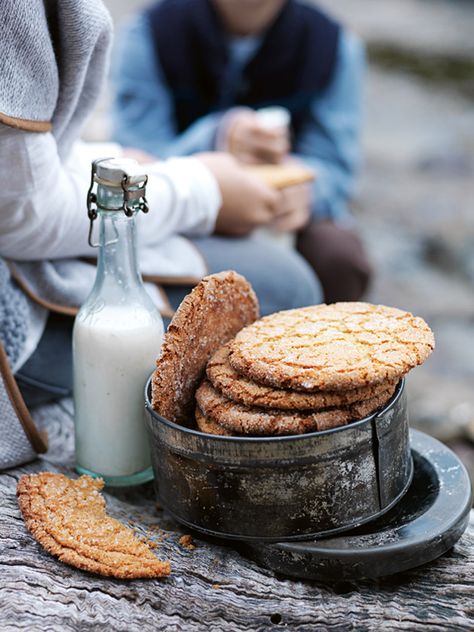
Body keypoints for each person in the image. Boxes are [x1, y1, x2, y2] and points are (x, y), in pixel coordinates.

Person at [0, 0, 321, 467]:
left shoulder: (328, 43)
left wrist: (117, 157)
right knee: (284, 284)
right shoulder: (157, 31)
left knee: (329, 256)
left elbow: (20, 162)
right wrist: (203, 188)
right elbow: (21, 212)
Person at [111, 0, 372, 304]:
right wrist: (217, 137)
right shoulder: (150, 34)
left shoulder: (335, 46)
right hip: (183, 213)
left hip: (284, 220)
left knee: (340, 257)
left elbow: (336, 169)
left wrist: (304, 191)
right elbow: (136, 166)